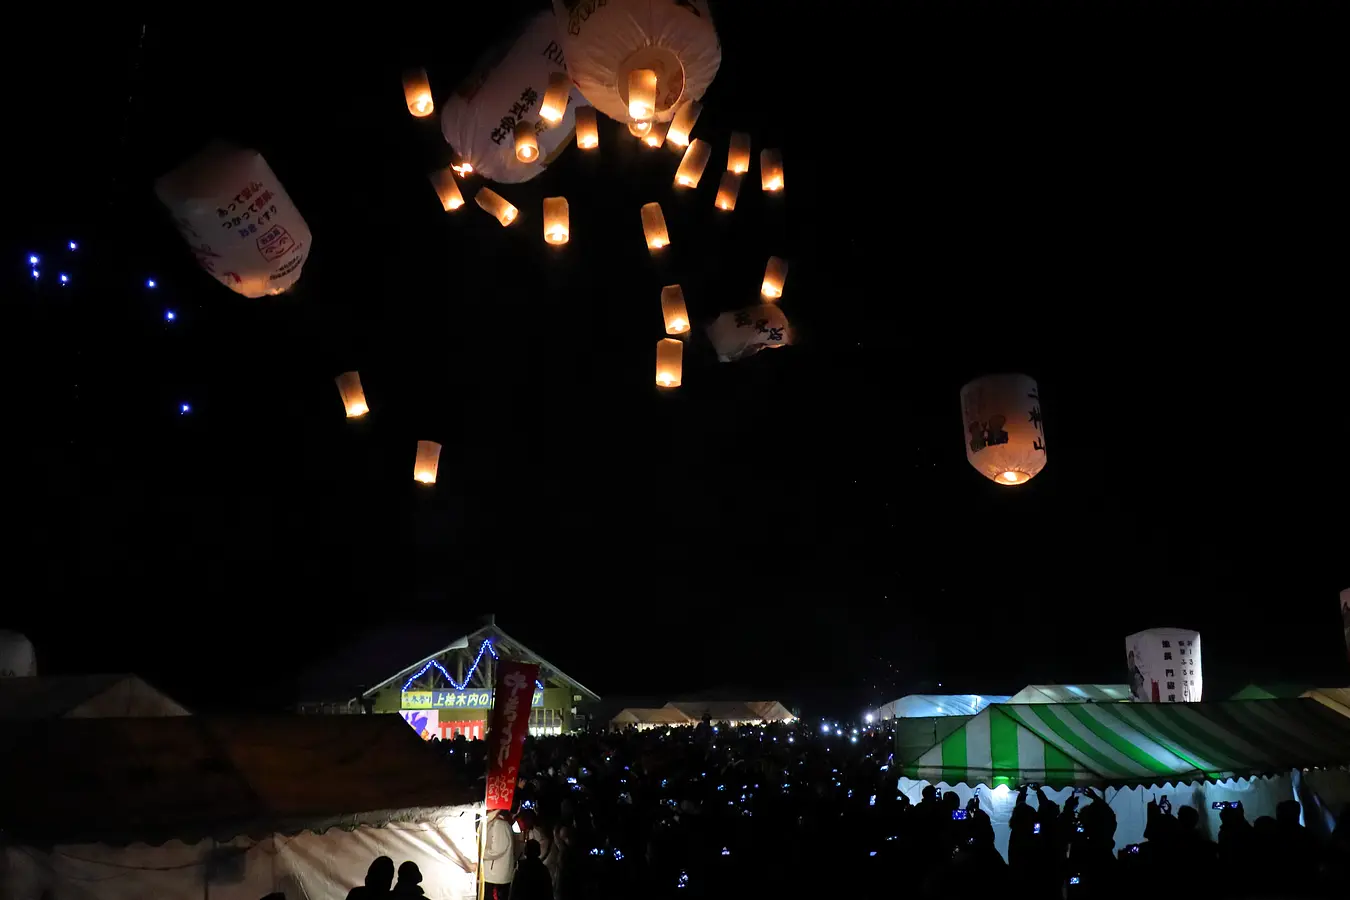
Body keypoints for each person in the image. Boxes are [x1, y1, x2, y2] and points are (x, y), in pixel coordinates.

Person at [482, 811, 518, 900]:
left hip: (495, 876)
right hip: (495, 875)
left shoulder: (499, 825)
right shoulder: (498, 823)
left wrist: (480, 852)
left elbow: (497, 850)